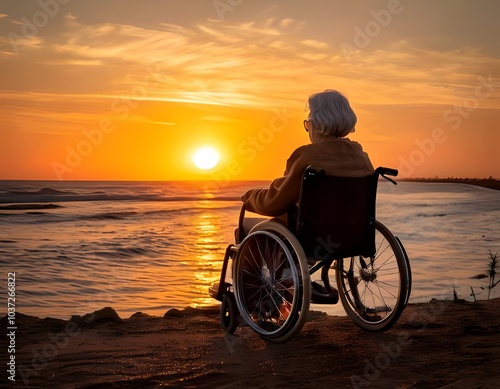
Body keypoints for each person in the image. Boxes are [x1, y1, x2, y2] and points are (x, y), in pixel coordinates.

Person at [240, 89, 374, 233]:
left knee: (248, 231)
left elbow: (274, 203)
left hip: (311, 235)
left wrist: (250, 196)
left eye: (308, 123)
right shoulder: (362, 157)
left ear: (316, 124)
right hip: (352, 234)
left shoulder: (307, 157)